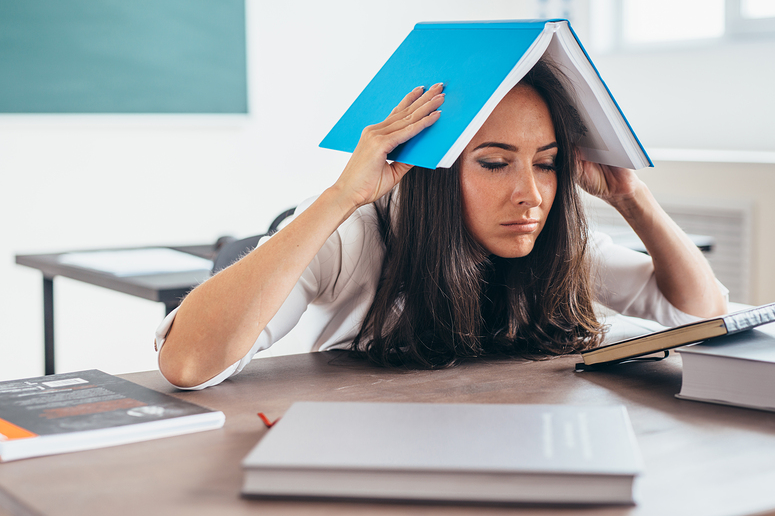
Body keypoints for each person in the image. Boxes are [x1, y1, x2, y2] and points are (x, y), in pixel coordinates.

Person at [157, 60, 727, 389]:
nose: (530, 194)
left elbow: (698, 312)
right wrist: (336, 199)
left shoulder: (554, 240)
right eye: (496, 163)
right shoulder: (355, 237)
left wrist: (635, 199)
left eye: (547, 164)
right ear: (438, 168)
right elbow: (189, 365)